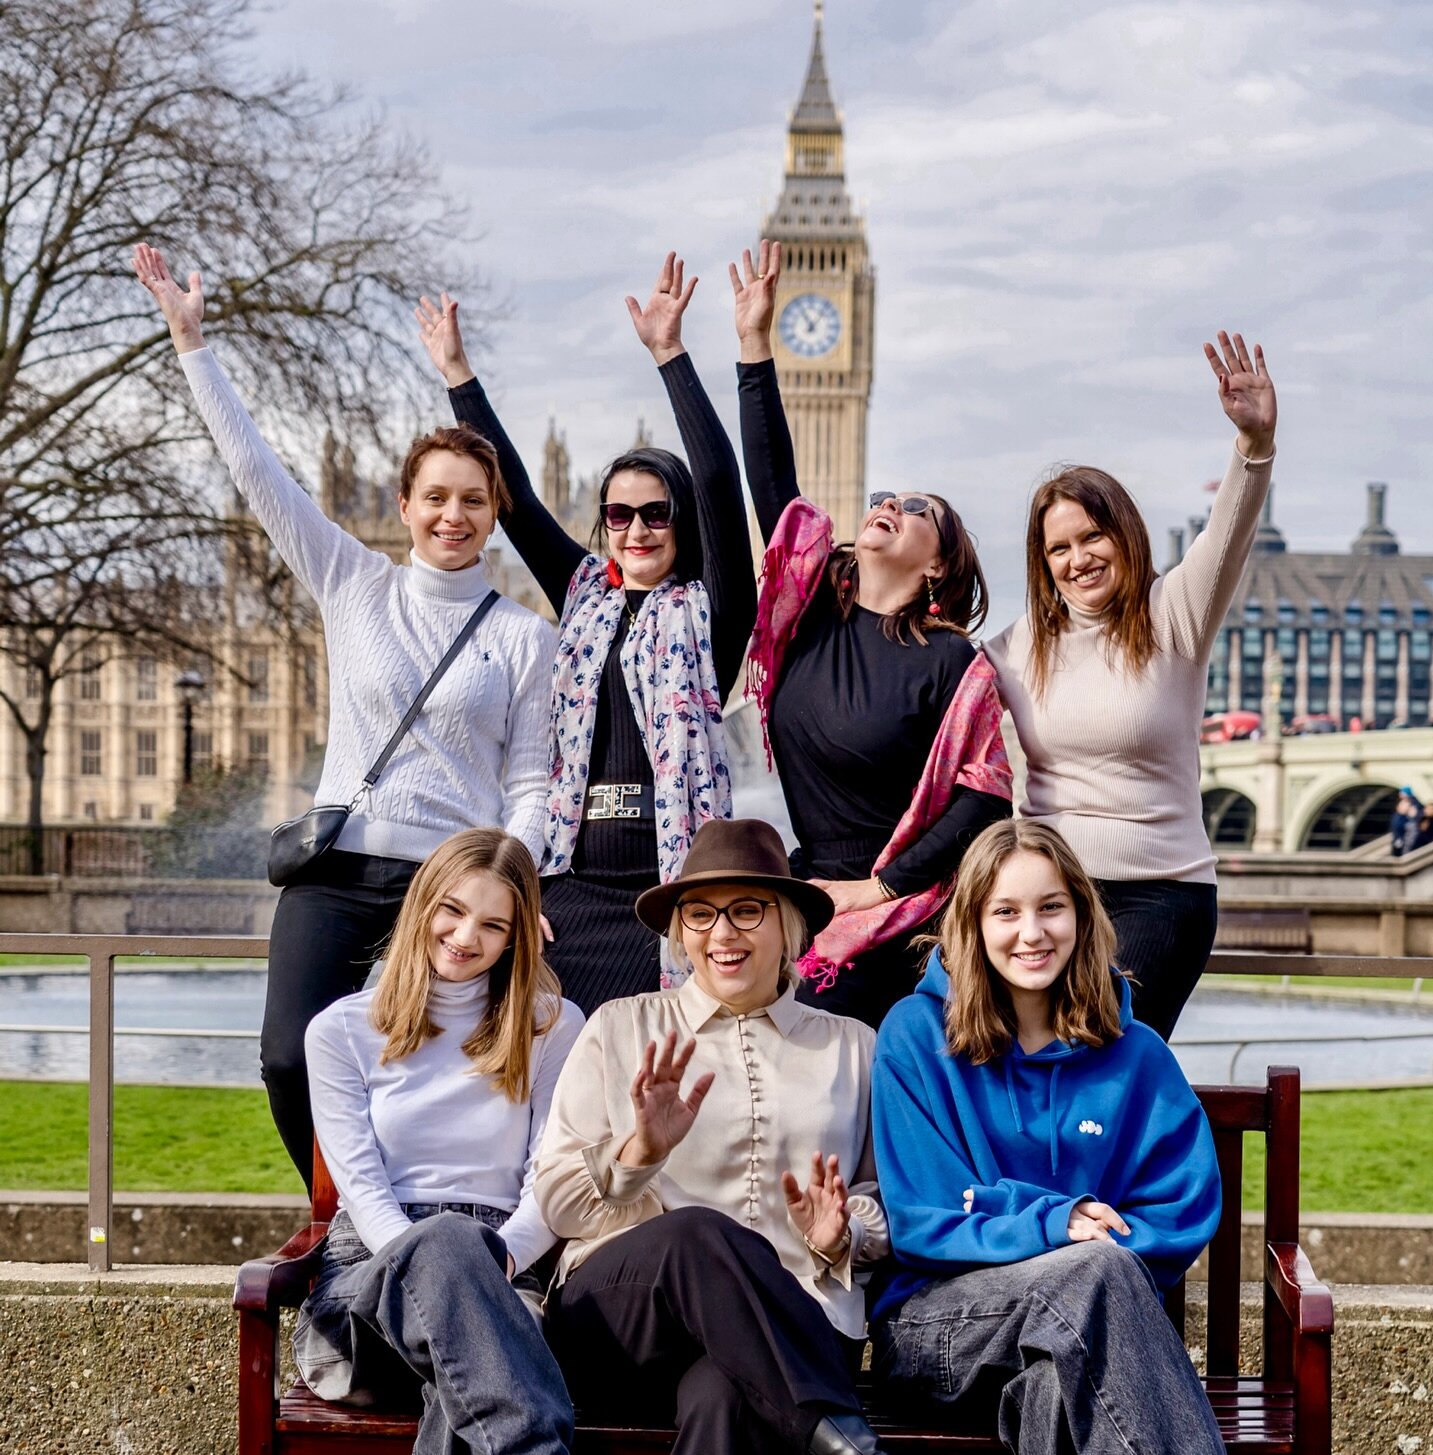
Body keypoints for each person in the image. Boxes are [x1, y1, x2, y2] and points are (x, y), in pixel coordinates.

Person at [869, 819, 1328, 1455]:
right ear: (970, 924)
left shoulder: (1135, 1055)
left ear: (1083, 916)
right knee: (1095, 1275)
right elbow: (920, 1218)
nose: (1031, 931)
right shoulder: (918, 1036)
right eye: (1006, 912)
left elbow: (1184, 1210)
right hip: (939, 1334)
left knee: (1063, 1381)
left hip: (1077, 1354)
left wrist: (1062, 1239)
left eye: (1051, 907)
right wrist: (1059, 1221)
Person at [535, 818, 979, 1455]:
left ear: (791, 928)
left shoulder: (852, 1048)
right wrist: (640, 1153)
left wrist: (839, 1234)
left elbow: (890, 1207)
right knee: (704, 1235)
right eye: (701, 915)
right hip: (623, 1319)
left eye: (746, 911)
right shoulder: (622, 1030)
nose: (722, 934)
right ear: (680, 931)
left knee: (733, 1399)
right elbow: (561, 1203)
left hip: (780, 1346)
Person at [132, 243, 554, 1184]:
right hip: (339, 866)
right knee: (290, 1053)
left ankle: (430, 1224)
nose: (454, 516)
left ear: (496, 516)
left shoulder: (526, 638)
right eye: (436, 497)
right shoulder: (350, 582)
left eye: (474, 502)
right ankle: (339, 1218)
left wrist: (513, 881)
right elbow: (257, 475)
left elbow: (531, 781)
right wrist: (190, 341)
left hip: (453, 886)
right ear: (403, 506)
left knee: (443, 1071)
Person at [295, 827, 666, 1455]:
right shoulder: (339, 1029)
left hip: (505, 1271)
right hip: (372, 1285)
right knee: (451, 1265)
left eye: (492, 926)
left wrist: (502, 1255)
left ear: (519, 937)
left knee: (466, 1408)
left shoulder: (554, 1024)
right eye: (451, 912)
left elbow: (555, 1172)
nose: (464, 938)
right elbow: (366, 1201)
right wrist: (467, 1255)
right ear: (423, 906)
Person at [415, 254, 754, 1013]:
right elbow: (517, 503)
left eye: (656, 512)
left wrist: (671, 356)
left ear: (683, 521)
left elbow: (724, 488)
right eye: (619, 514)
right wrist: (459, 374)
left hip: (668, 898)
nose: (635, 529)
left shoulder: (713, 612)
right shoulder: (583, 596)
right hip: (567, 891)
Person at [730, 239, 1013, 1031]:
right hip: (805, 909)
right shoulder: (810, 613)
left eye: (920, 509)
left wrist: (880, 890)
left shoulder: (954, 661)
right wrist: (755, 347)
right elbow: (773, 487)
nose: (892, 502)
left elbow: (984, 803)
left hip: (909, 932)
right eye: (888, 494)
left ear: (939, 565)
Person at [985, 332, 1279, 1041]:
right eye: (1059, 547)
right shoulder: (1013, 650)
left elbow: (1229, 531)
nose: (1079, 559)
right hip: (1050, 897)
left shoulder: (1173, 615)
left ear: (1125, 536)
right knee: (1007, 1056)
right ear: (1042, 561)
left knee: (1095, 1050)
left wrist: (1255, 441)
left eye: (1093, 537)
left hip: (1162, 895)